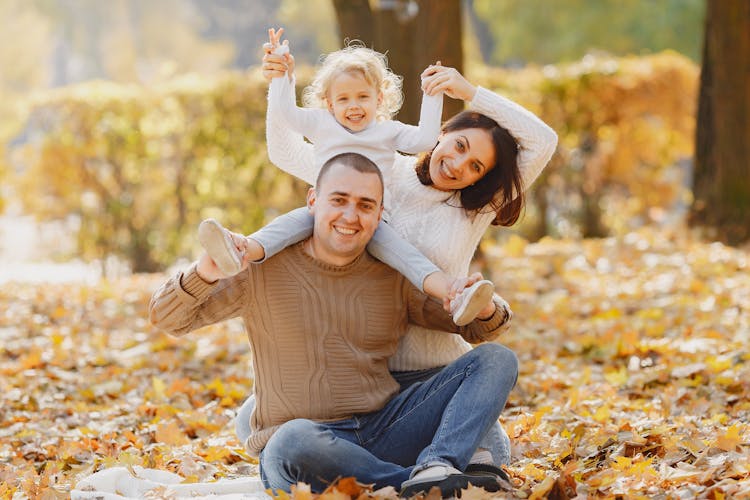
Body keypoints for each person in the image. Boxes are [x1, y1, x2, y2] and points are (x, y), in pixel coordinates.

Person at [234, 38, 559, 472]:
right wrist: (280, 82)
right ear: (442, 134)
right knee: (250, 416)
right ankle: (401, 463)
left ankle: (445, 453)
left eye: (476, 166)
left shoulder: (472, 208)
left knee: (488, 420)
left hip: (432, 375)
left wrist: (469, 92)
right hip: (362, 378)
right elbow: (287, 151)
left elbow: (542, 142)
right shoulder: (374, 170)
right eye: (460, 146)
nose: (461, 166)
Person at [150, 153, 518, 497]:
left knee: (496, 360)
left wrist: (484, 306)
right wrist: (203, 272)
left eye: (365, 205)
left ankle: (436, 467)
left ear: (379, 215)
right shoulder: (261, 270)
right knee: (291, 439)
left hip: (383, 428)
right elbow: (167, 319)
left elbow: (472, 325)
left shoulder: (391, 276)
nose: (350, 216)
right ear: (313, 201)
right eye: (338, 200)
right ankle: (416, 485)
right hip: (304, 446)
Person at [198, 28, 495, 327]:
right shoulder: (321, 123)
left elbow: (425, 140)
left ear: (379, 99)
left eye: (363, 97)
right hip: (324, 210)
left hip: (374, 219)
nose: (353, 105)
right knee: (285, 226)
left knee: (408, 258)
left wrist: (433, 95)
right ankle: (239, 249)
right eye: (343, 99)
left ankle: (455, 294)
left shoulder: (386, 131)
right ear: (329, 103)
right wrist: (281, 75)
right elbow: (287, 114)